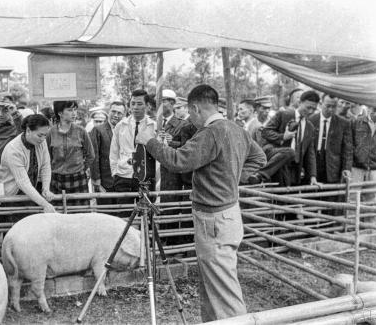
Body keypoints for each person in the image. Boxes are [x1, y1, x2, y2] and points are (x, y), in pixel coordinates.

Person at [136, 84, 266, 321]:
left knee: (224, 291)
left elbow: (177, 161)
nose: (190, 118)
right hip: (227, 215)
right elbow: (259, 157)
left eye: (190, 112)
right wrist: (232, 178)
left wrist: (150, 141)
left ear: (195, 108)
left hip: (214, 220)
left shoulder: (210, 132)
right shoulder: (235, 129)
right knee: (214, 284)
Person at [249, 90, 320, 186]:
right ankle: (260, 175)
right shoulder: (283, 114)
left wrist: (313, 176)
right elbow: (265, 132)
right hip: (275, 157)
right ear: (299, 103)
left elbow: (310, 153)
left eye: (314, 109)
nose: (310, 111)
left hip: (294, 168)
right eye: (308, 107)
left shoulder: (310, 127)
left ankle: (260, 175)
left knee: (289, 195)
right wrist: (283, 137)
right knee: (290, 152)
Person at [0, 114, 55, 220]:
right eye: (40, 135)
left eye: (45, 135)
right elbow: (22, 182)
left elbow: (46, 166)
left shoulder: (41, 143)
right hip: (11, 197)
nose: (43, 139)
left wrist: (46, 188)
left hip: (30, 194)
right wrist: (45, 204)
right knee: (15, 232)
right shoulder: (13, 150)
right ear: (28, 130)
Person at [110, 89, 157, 215]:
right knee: (124, 215)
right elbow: (114, 152)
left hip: (145, 177)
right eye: (133, 103)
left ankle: (146, 235)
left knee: (146, 215)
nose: (135, 107)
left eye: (140, 104)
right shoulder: (121, 126)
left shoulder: (153, 127)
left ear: (147, 106)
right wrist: (115, 172)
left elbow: (159, 153)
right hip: (123, 175)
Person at [46, 101, 95, 207]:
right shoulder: (51, 132)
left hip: (77, 178)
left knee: (80, 213)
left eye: (75, 110)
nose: (74, 113)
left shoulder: (81, 131)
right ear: (60, 113)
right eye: (69, 110)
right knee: (57, 214)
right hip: (56, 179)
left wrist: (80, 168)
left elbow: (91, 155)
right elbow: (46, 157)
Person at [308, 94, 352, 184]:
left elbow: (348, 149)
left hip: (333, 167)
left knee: (331, 195)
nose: (331, 109)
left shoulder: (344, 123)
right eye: (328, 106)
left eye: (334, 106)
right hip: (313, 163)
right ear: (321, 104)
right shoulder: (310, 120)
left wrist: (347, 168)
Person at [90, 101, 126, 205]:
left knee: (123, 215)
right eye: (113, 111)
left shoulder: (127, 130)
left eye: (119, 113)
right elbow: (94, 157)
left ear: (124, 115)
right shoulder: (98, 130)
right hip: (105, 184)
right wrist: (97, 183)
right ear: (108, 112)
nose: (116, 115)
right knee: (106, 215)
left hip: (123, 183)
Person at [349, 106, 376, 214]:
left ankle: (370, 229)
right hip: (356, 166)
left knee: (373, 200)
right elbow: (349, 145)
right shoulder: (357, 122)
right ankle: (351, 228)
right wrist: (348, 165)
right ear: (371, 109)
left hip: (375, 168)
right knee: (352, 199)